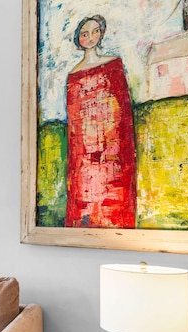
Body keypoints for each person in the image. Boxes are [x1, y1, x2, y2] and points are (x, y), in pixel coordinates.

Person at [65, 15, 136, 228]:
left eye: (95, 31)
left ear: (101, 33)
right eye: (85, 34)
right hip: (85, 148)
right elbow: (74, 120)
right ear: (79, 39)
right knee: (86, 194)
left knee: (114, 190)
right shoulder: (73, 75)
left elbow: (123, 107)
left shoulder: (113, 64)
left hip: (112, 142)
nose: (91, 37)